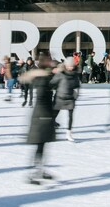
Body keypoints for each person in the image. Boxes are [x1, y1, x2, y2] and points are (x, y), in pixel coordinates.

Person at [21, 53, 58, 184]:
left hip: (44, 116)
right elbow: (42, 97)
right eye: (50, 60)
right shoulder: (43, 79)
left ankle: (39, 170)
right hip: (42, 116)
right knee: (40, 146)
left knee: (42, 146)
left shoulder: (44, 76)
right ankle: (33, 174)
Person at [52, 57, 80, 142]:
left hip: (70, 99)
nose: (70, 67)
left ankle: (69, 134)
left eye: (71, 66)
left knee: (70, 117)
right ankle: (51, 132)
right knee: (53, 115)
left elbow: (77, 87)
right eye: (68, 66)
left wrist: (75, 96)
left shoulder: (75, 75)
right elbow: (52, 83)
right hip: (59, 98)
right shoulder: (60, 74)